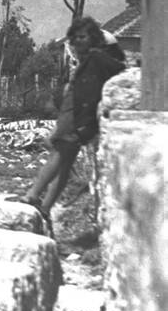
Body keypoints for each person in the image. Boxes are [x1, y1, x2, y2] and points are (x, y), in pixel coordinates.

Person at [13, 16, 125, 230]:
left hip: (75, 117)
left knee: (59, 155)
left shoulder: (96, 58)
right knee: (65, 162)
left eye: (83, 37)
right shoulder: (88, 61)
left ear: (94, 39)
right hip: (73, 115)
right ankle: (45, 206)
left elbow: (113, 72)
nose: (78, 42)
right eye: (75, 38)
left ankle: (33, 195)